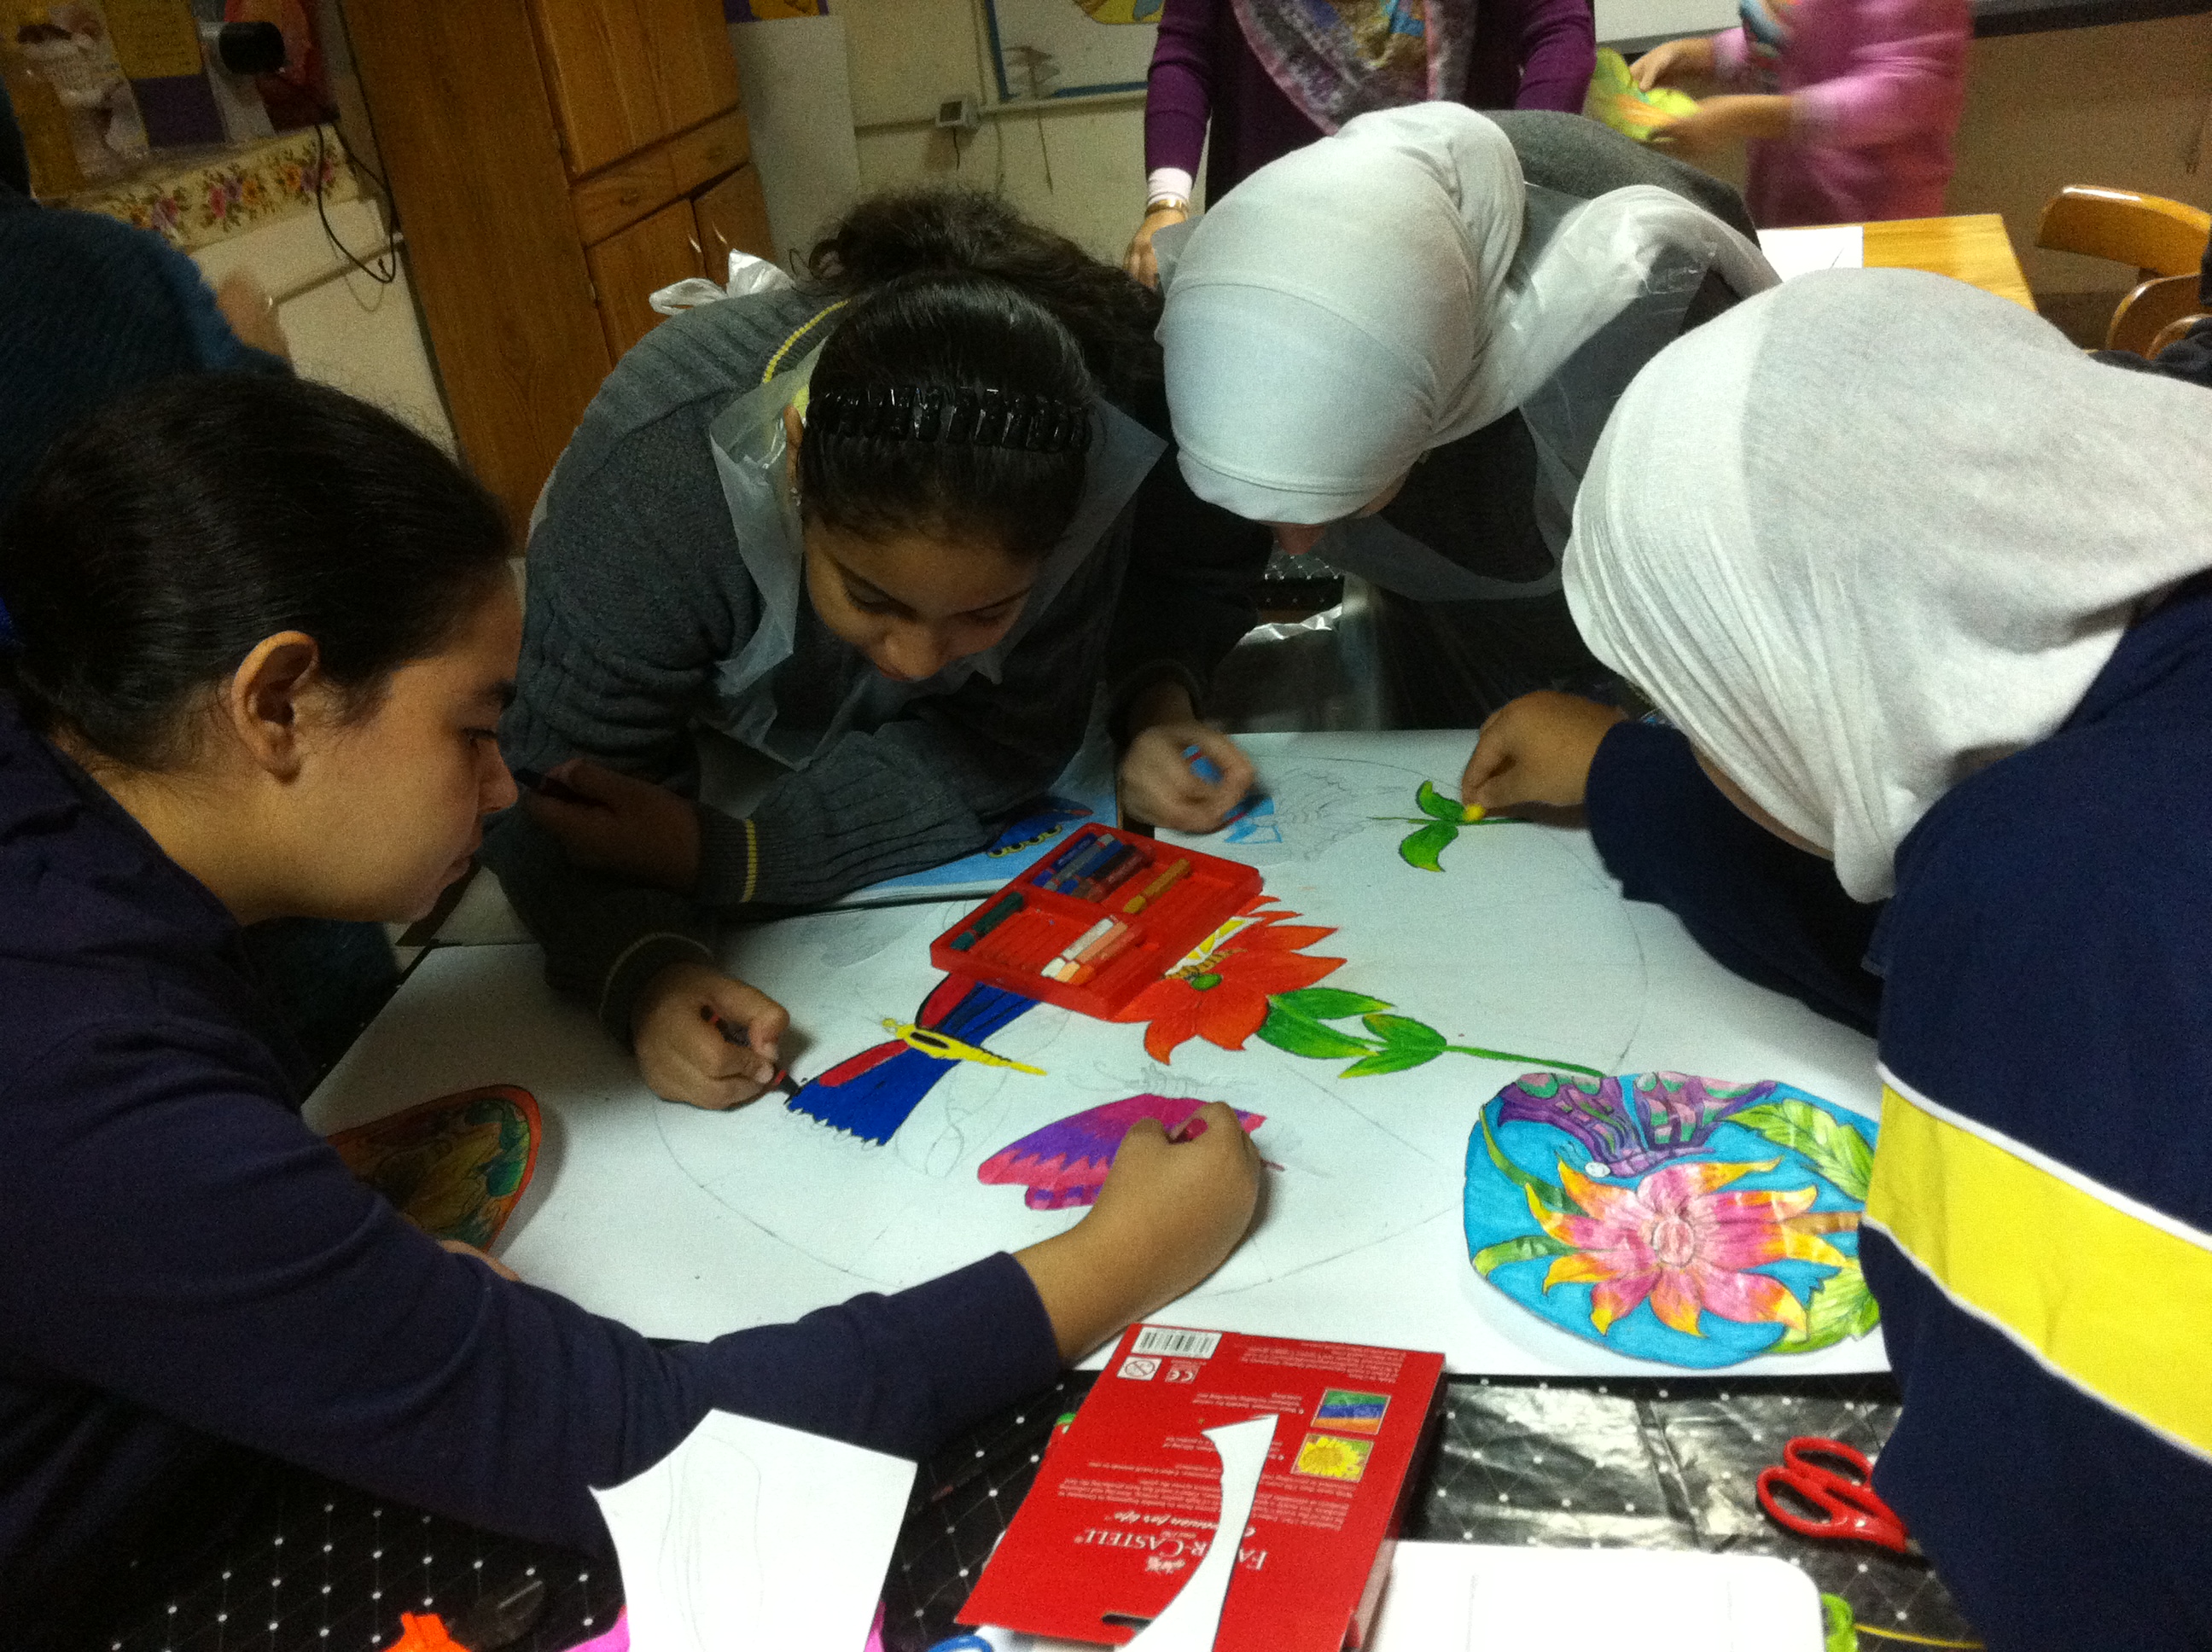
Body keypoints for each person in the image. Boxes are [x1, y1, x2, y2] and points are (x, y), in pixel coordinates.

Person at [0, 373, 1262, 1652]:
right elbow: (647, 1448)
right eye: (473, 730)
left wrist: (305, 1295)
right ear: (279, 702)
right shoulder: (77, 1076)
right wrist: (1123, 1257)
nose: (502, 789)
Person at [1462, 267, 2212, 1647]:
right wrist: (1633, 777)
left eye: (1700, 703)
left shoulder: (2049, 892)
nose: (1705, 740)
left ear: (1800, 668)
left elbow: (2058, 1525)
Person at [486, 189, 1260, 1111]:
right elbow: (555, 789)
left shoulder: (1071, 470)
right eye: (871, 598)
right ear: (796, 461)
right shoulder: (655, 492)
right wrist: (645, 969)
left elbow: (1012, 736)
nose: (921, 661)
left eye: (987, 614)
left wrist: (744, 853)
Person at [1121, 102, 1772, 833]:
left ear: (1439, 397)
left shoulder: (1654, 319)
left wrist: (1638, 758)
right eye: (1263, 510)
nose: (1297, 546)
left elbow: (1769, 634)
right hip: (1461, 650)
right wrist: (1159, 704)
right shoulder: (1238, 314)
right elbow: (1189, 563)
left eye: (1345, 503)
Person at [1125, 0, 1598, 284]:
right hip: (1272, 234)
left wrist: (1515, 180)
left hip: (1456, 231)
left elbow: (1559, 31)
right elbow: (1187, 53)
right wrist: (1166, 203)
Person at [1628, 0, 1970, 227]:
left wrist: (1745, 116)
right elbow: (1785, 41)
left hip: (1876, 225)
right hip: (1785, 212)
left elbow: (1904, 91)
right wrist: (1701, 55)